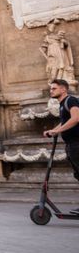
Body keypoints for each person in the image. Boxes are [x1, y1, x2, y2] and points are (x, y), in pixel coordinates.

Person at [44, 79, 79, 215]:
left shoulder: (71, 100)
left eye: (54, 88)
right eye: (51, 88)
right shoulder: (62, 104)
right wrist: (53, 130)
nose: (51, 91)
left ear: (63, 89)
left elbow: (76, 118)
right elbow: (65, 121)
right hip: (71, 144)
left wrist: (57, 131)